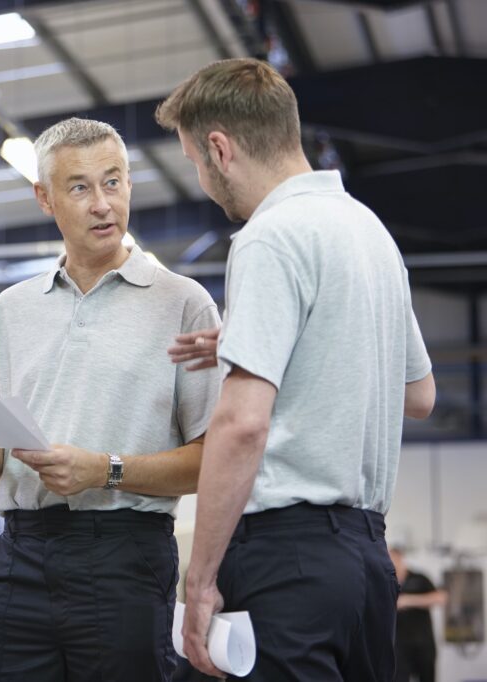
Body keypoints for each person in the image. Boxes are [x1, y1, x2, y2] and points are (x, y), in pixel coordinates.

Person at [155, 58, 437, 680]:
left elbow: (243, 424)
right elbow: (420, 393)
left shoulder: (269, 236)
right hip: (365, 567)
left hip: (287, 562)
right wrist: (270, 335)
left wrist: (198, 580)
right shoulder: (370, 233)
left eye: (195, 162)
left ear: (220, 149)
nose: (201, 178)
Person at [0, 117, 222, 681]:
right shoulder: (13, 308)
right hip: (20, 555)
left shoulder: (182, 303)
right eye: (79, 187)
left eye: (114, 181)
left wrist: (105, 470)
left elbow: (210, 460)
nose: (103, 204)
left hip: (125, 558)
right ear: (44, 198)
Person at [391, 548, 447, 682]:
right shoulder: (387, 583)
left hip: (424, 645)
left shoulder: (420, 579)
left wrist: (408, 601)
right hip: (399, 648)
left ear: (400, 559)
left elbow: (441, 598)